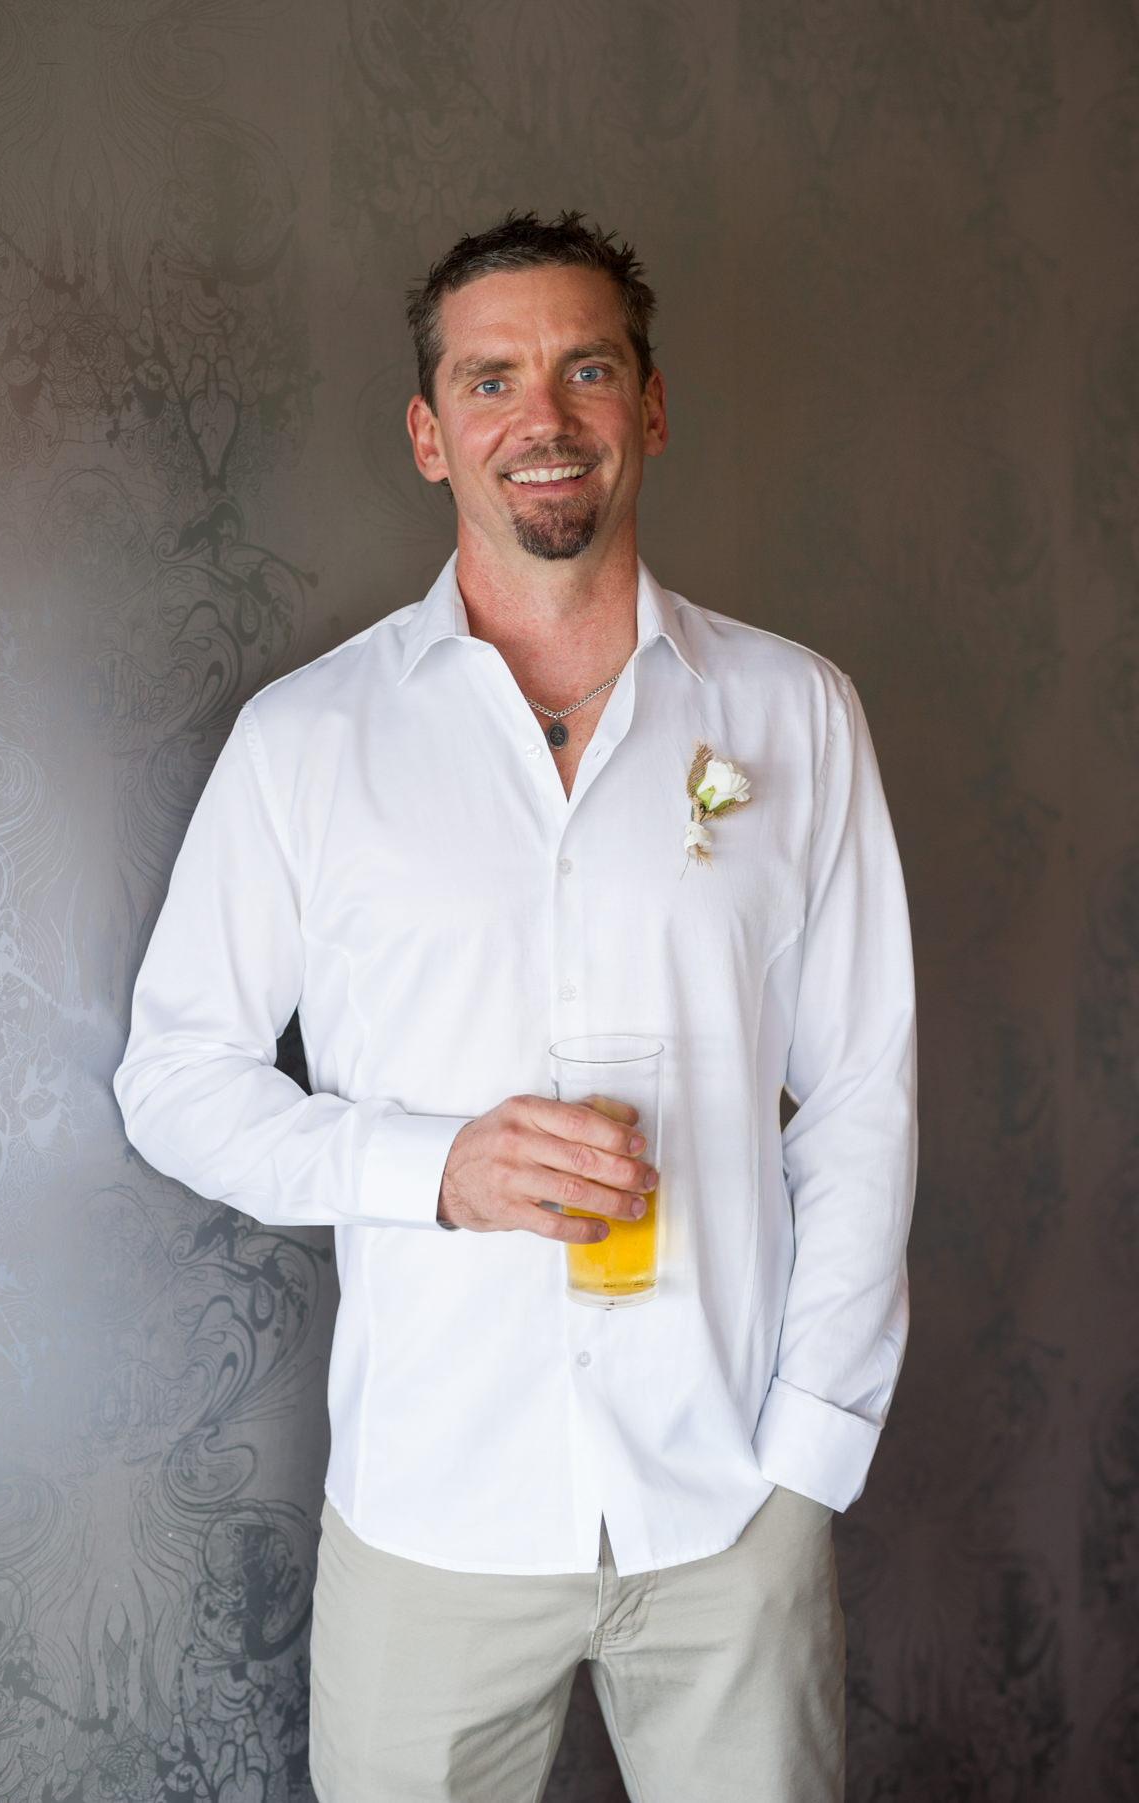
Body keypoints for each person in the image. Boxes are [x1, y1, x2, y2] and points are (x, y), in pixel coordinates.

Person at [114, 210, 916, 1803]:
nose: (540, 419)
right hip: (432, 1518)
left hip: (727, 1508)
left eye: (585, 369)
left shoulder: (795, 713)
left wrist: (811, 1452)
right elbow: (177, 1079)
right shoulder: (305, 743)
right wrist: (434, 1169)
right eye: (490, 381)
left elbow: (865, 1093)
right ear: (430, 434)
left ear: (650, 408)